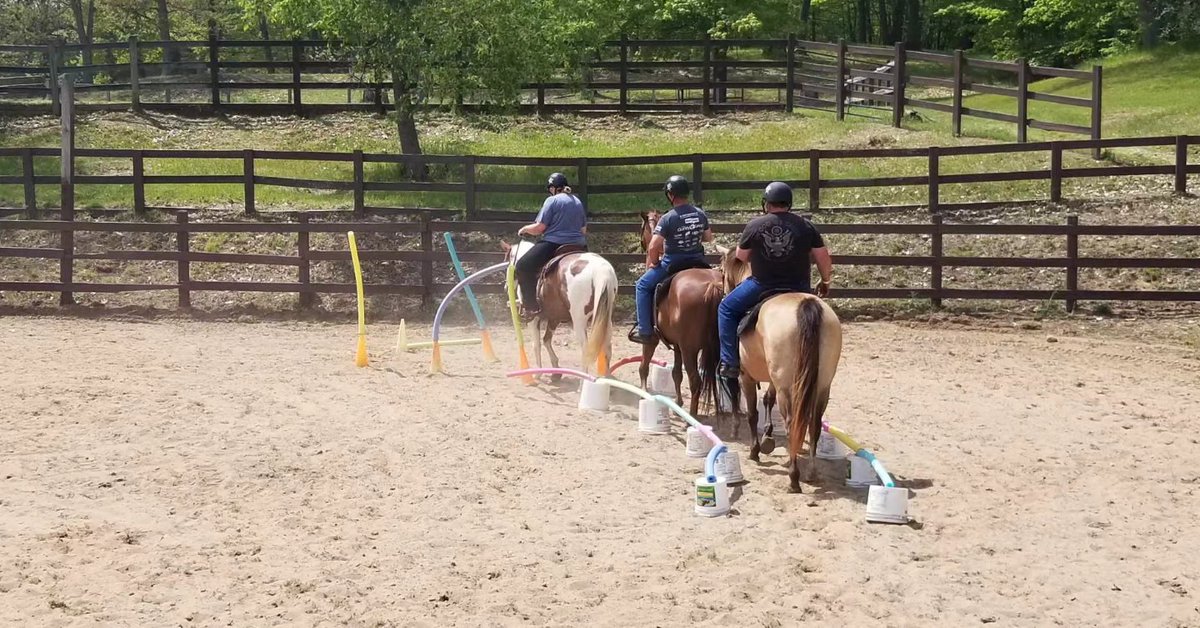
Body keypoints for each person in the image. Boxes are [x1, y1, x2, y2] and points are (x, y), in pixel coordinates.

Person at [716, 181, 833, 379]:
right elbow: (823, 257)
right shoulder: (805, 225)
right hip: (799, 286)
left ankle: (730, 362)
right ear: (789, 203)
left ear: (767, 203)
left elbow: (741, 258)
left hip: (762, 285)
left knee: (725, 309)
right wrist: (826, 281)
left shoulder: (755, 225)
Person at [628, 175, 714, 344]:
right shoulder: (700, 213)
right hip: (699, 261)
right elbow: (708, 237)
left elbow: (653, 246)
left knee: (642, 286)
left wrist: (654, 262)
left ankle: (644, 330)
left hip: (673, 264)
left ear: (670, 194)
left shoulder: (668, 218)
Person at [514, 172, 588, 318]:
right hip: (579, 245)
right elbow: (583, 230)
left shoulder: (551, 201)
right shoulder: (578, 202)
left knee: (523, 266)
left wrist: (524, 229)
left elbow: (540, 228)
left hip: (554, 243)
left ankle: (531, 307)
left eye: (550, 189)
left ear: (553, 188)